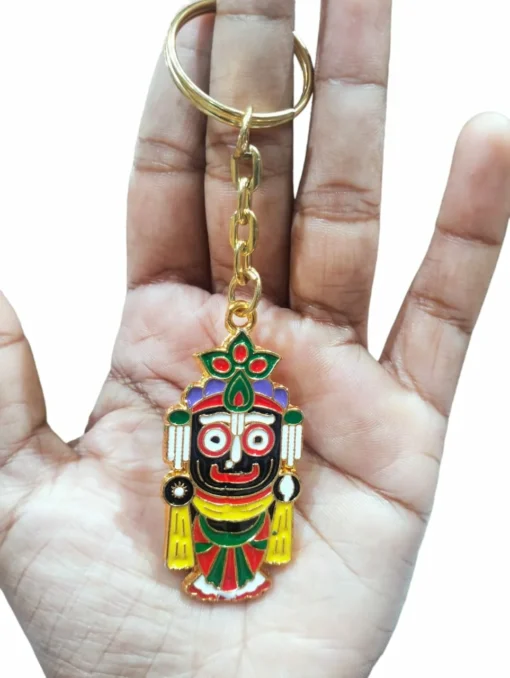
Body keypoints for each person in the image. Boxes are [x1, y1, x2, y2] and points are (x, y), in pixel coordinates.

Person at [1, 1, 509, 676]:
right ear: (189, 441)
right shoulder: (195, 459)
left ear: (281, 442)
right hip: (205, 525)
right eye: (216, 440)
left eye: (250, 441)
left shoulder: (271, 463)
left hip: (253, 524)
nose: (237, 453)